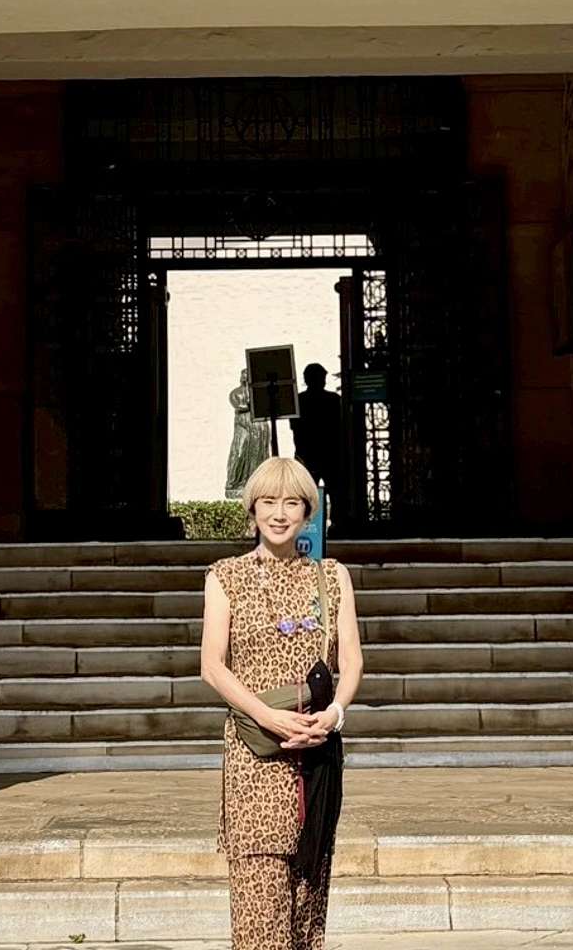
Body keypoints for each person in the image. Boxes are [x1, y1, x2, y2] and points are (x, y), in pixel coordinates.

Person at [201, 457, 364, 950]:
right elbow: (212, 665)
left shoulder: (333, 578)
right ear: (252, 509)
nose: (279, 513)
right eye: (268, 502)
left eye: (291, 502)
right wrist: (265, 714)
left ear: (307, 512)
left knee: (307, 901)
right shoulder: (225, 576)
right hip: (255, 758)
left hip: (315, 758)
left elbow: (352, 663)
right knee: (258, 902)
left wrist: (333, 717)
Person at [289, 363, 343, 495]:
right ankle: (338, 516)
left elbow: (294, 426)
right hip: (331, 454)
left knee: (305, 495)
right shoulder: (334, 399)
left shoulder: (298, 401)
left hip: (306, 454)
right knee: (336, 494)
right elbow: (341, 426)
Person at [224, 366, 270, 498]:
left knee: (258, 453)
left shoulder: (257, 392)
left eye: (247, 375)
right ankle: (234, 482)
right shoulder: (235, 392)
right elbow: (239, 406)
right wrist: (251, 404)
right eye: (243, 374)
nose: (245, 377)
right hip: (243, 424)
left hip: (258, 426)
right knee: (239, 452)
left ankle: (255, 482)